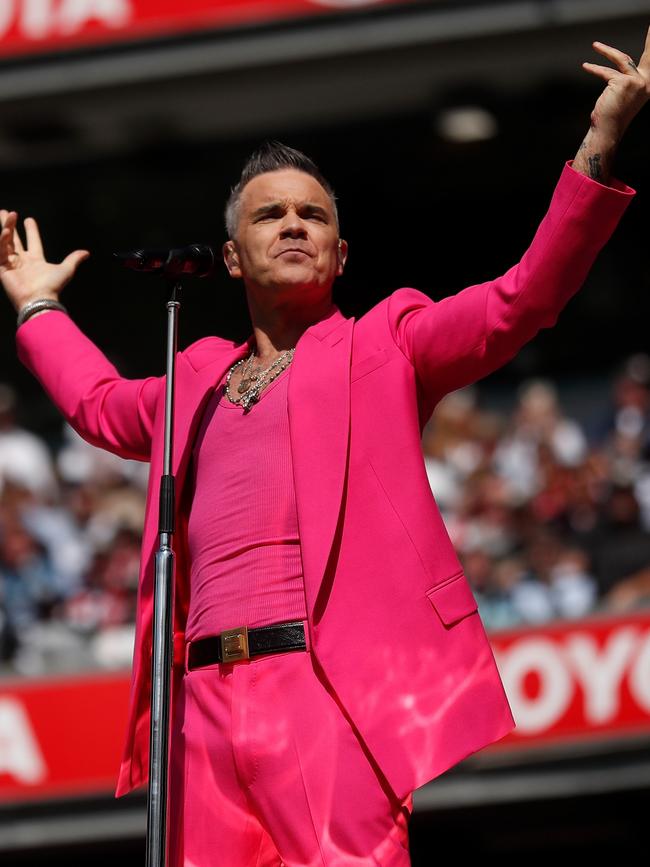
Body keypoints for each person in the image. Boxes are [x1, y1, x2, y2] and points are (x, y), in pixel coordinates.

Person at [1, 29, 649, 867]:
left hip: (325, 688)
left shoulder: (386, 344)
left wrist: (599, 145)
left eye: (314, 215)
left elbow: (519, 299)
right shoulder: (190, 377)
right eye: (271, 214)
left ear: (343, 255)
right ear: (231, 258)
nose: (295, 225)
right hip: (197, 705)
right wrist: (38, 308)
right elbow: (96, 404)